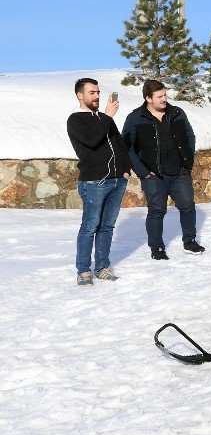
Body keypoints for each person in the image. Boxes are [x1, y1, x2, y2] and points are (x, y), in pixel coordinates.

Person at [121, 79, 205, 260]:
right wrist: (143, 172)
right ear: (148, 98)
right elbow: (127, 147)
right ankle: (157, 248)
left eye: (165, 95)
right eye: (159, 96)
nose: (164, 99)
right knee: (157, 211)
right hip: (153, 175)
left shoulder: (177, 113)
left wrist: (187, 162)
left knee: (188, 207)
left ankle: (190, 241)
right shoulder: (135, 118)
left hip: (179, 172)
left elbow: (190, 136)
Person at [67, 78, 131, 285]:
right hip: (94, 182)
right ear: (80, 95)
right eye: (91, 93)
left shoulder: (104, 119)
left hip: (116, 181)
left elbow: (119, 144)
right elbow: (92, 140)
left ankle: (102, 267)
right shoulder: (76, 119)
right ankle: (83, 270)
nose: (96, 96)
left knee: (107, 227)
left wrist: (126, 170)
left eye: (97, 92)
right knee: (90, 227)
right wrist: (106, 116)